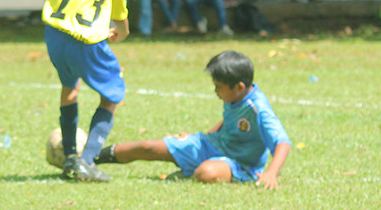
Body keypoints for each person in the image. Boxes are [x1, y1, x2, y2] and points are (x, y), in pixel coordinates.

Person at [9, 0, 131, 182]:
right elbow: (119, 9)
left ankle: (69, 156)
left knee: (70, 87)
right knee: (113, 95)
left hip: (55, 36)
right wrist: (122, 33)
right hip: (88, 41)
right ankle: (85, 161)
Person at [95, 50, 291, 189]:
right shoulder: (238, 97)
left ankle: (190, 172)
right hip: (209, 145)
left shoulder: (259, 109)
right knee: (147, 147)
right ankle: (91, 158)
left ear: (239, 87)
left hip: (238, 164)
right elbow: (230, 121)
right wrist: (204, 136)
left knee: (206, 173)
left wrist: (271, 173)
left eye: (219, 87)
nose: (216, 92)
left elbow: (282, 142)